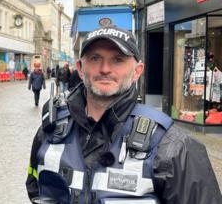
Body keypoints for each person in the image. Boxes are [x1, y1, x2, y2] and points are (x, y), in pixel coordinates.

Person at [26, 26, 222, 204]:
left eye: (118, 59)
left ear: (137, 71)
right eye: (95, 58)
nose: (105, 69)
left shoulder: (174, 147)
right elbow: (35, 188)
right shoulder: (49, 132)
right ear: (80, 68)